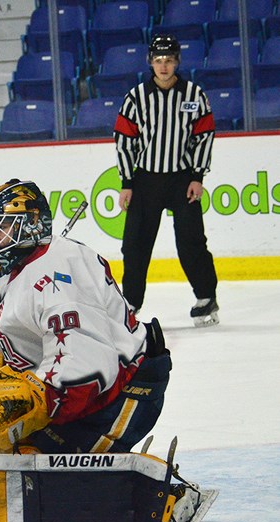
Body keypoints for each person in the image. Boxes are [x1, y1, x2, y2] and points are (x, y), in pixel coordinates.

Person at [0, 179, 171, 456]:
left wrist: (36, 399)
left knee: (35, 465)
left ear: (31, 223)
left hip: (122, 395)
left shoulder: (60, 277)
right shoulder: (20, 268)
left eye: (3, 227)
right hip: (88, 393)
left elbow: (86, 364)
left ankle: (150, 497)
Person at [114, 34, 219, 327]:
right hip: (145, 182)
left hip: (183, 180)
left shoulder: (195, 95)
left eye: (169, 60)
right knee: (135, 244)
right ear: (150, 61)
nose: (163, 66)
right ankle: (131, 303)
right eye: (159, 60)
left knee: (191, 241)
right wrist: (127, 181)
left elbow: (204, 136)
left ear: (177, 62)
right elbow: (124, 140)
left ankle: (206, 297)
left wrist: (198, 176)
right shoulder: (136, 97)